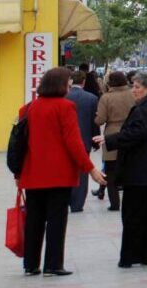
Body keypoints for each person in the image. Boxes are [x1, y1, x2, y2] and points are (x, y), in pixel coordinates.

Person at [17, 67, 106, 277]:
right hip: (59, 174)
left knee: (34, 219)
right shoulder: (65, 107)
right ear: (60, 84)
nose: (69, 86)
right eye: (67, 82)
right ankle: (53, 264)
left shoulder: (28, 108)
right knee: (57, 220)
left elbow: (19, 143)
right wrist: (90, 168)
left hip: (32, 173)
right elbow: (74, 143)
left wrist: (17, 173)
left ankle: (30, 264)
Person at [94, 70, 147, 269]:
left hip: (140, 171)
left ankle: (130, 256)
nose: (134, 90)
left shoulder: (145, 108)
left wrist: (110, 139)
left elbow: (136, 133)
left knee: (132, 214)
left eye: (137, 87)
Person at [94, 71, 137, 211]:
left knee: (111, 172)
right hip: (130, 133)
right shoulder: (133, 94)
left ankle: (114, 203)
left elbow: (100, 120)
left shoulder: (106, 97)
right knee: (131, 169)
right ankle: (132, 202)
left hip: (111, 135)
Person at [65, 70, 99, 213]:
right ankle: (77, 204)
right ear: (83, 81)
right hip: (84, 139)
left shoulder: (64, 96)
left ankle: (65, 199)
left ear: (71, 81)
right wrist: (95, 140)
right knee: (82, 172)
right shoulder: (91, 98)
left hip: (65, 141)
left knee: (65, 170)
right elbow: (95, 121)